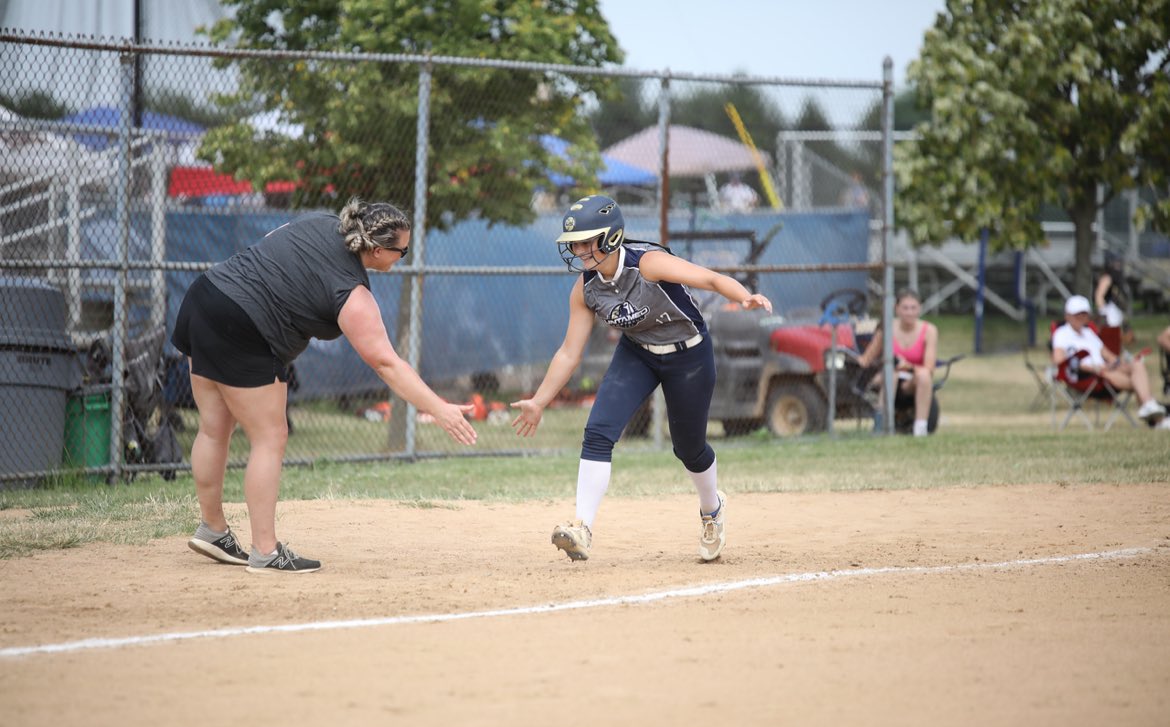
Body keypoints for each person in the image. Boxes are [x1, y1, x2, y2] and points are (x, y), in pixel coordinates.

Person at [171, 198, 478, 575]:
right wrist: (439, 408)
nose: (403, 258)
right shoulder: (353, 295)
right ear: (378, 250)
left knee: (213, 428)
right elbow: (386, 364)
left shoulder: (325, 221)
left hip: (206, 297)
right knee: (270, 436)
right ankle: (265, 552)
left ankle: (213, 529)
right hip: (243, 325)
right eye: (402, 251)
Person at [511, 194, 772, 562]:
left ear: (611, 238)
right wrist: (539, 401)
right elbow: (569, 352)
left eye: (587, 240)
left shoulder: (648, 264)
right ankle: (582, 528)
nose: (579, 250)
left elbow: (709, 278)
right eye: (575, 243)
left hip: (689, 355)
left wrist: (744, 297)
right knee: (598, 432)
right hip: (638, 354)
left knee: (689, 448)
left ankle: (711, 510)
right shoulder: (585, 289)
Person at [1051, 295, 1165, 422]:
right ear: (1068, 316)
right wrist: (1092, 368)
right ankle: (1154, 411)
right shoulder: (1061, 334)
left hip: (1106, 369)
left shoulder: (1089, 333)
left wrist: (1121, 362)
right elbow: (1060, 361)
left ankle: (1149, 406)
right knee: (1135, 381)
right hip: (1088, 376)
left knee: (1137, 365)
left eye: (1084, 315)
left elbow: (1109, 356)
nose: (1081, 318)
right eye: (1077, 315)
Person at [857, 288, 939, 437]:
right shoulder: (887, 328)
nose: (909, 312)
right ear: (897, 309)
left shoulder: (929, 330)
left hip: (911, 381)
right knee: (892, 374)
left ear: (919, 309)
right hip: (885, 377)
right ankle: (881, 425)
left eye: (913, 308)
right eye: (905, 308)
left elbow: (929, 368)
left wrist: (907, 366)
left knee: (924, 375)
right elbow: (866, 359)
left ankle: (920, 428)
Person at [1093, 251, 1130, 329]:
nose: (1118, 265)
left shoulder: (1115, 278)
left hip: (1114, 310)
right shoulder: (1107, 278)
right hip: (1108, 310)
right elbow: (1099, 296)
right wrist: (1104, 312)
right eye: (1116, 262)